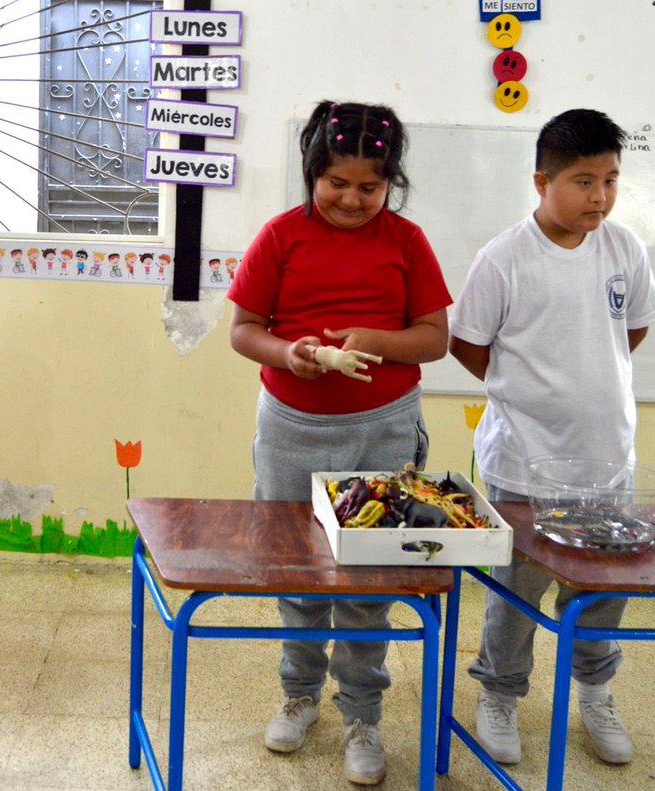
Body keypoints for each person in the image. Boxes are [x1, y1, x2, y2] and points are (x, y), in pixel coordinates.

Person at [227, 100, 451, 786]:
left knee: (367, 573)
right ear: (311, 173)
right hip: (292, 427)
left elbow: (434, 338)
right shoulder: (279, 236)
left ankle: (362, 712)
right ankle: (299, 692)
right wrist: (289, 351)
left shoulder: (407, 241)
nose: (352, 199)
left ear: (390, 183)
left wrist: (373, 342)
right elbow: (243, 330)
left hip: (383, 425)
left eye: (370, 186)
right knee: (298, 567)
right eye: (337, 183)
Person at [449, 109, 655, 767]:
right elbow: (468, 344)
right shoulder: (504, 257)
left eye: (610, 179)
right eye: (582, 180)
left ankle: (595, 693)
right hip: (524, 463)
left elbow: (633, 332)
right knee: (519, 587)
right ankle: (499, 693)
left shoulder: (624, 248)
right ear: (542, 180)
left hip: (607, 461)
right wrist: (529, 396)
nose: (598, 195)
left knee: (601, 588)